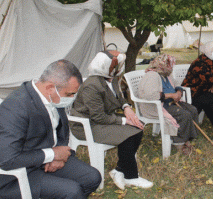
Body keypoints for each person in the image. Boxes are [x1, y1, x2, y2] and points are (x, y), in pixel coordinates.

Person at [0, 60, 102, 199]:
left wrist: (58, 156)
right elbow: (7, 160)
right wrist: (51, 154)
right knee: (72, 191)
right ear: (50, 88)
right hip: (18, 173)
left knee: (92, 177)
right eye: (70, 94)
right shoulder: (15, 108)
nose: (72, 98)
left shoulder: (54, 97)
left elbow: (62, 130)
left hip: (45, 160)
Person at [69, 51, 153, 190]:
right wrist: (125, 121)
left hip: (100, 120)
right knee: (129, 134)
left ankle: (120, 170)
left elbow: (119, 97)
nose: (120, 68)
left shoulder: (111, 79)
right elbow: (99, 117)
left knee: (138, 127)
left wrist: (126, 107)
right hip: (87, 125)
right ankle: (131, 177)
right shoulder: (92, 85)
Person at [138, 54, 198, 155]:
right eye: (170, 65)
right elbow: (150, 95)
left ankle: (187, 138)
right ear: (163, 65)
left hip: (168, 103)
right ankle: (179, 143)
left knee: (192, 110)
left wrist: (178, 92)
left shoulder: (166, 74)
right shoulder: (152, 75)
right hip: (155, 107)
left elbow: (177, 84)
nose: (172, 67)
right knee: (184, 115)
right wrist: (171, 95)